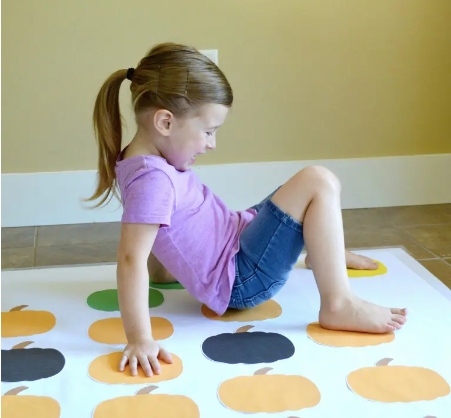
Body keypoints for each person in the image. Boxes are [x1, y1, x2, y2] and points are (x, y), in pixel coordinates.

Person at [87, 42, 407, 378]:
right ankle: (339, 303)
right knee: (318, 181)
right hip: (241, 279)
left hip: (235, 239)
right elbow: (130, 258)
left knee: (301, 193)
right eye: (208, 132)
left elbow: (162, 226)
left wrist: (166, 270)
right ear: (165, 122)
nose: (212, 143)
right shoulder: (153, 181)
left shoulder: (143, 160)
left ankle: (321, 250)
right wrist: (140, 338)